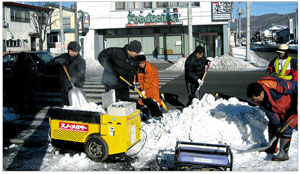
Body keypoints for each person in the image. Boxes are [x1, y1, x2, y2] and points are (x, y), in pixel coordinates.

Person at [247, 76, 297, 161]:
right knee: (273, 124)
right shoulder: (260, 100)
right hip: (282, 109)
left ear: (262, 93)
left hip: (295, 107)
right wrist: (277, 126)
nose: (255, 102)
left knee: (287, 126)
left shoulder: (275, 85)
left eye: (256, 99)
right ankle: (272, 148)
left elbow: (296, 86)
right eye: (253, 100)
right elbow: (271, 113)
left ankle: (284, 154)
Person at [53, 41, 86, 106]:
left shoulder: (80, 61)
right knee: (65, 102)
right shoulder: (64, 57)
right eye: (72, 51)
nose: (74, 53)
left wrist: (74, 78)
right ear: (68, 50)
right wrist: (56, 60)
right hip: (64, 85)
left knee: (74, 102)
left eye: (76, 51)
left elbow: (81, 72)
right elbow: (50, 64)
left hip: (75, 85)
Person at [135, 55, 161, 120]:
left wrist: (143, 90)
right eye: (140, 63)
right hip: (143, 85)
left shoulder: (150, 69)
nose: (141, 65)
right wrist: (133, 82)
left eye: (143, 63)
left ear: (145, 62)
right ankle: (144, 112)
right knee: (141, 100)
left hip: (152, 84)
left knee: (153, 98)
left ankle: (158, 112)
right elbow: (136, 76)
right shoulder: (138, 68)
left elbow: (147, 81)